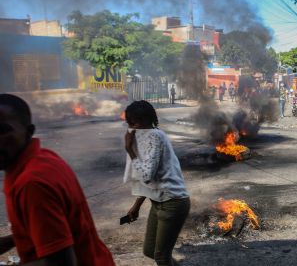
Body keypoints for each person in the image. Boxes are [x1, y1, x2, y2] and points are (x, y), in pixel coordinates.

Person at [0, 94, 115, 265]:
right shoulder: (43, 158)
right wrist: (14, 239)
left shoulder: (31, 184)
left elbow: (61, 262)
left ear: (28, 132)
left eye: (2, 130)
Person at [123, 100, 190, 266]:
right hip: (158, 202)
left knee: (161, 256)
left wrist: (130, 150)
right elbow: (150, 181)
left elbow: (146, 175)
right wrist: (136, 206)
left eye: (134, 122)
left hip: (172, 202)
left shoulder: (155, 137)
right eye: (129, 122)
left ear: (146, 120)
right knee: (149, 250)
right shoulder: (146, 136)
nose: (131, 126)